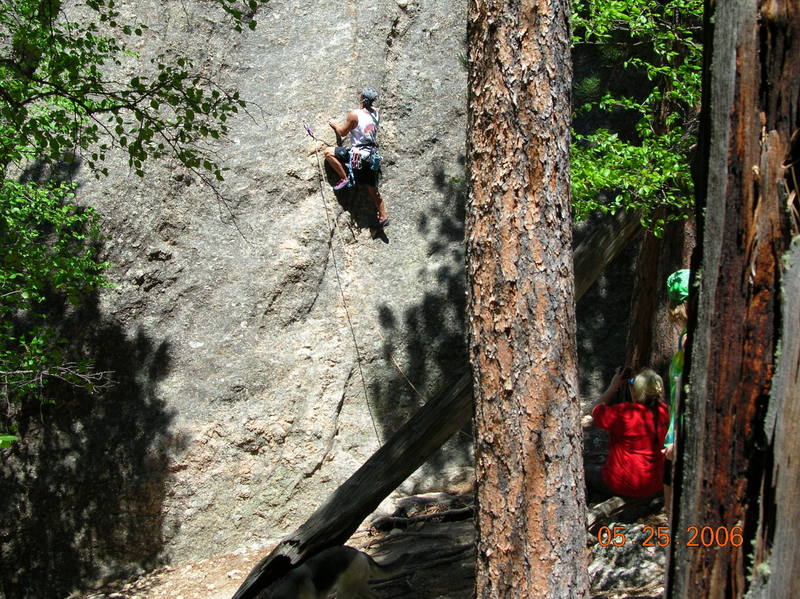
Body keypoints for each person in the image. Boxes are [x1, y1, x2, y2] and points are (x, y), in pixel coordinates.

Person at [584, 368, 670, 499]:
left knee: (585, 470)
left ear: (636, 392)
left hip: (622, 483)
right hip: (654, 482)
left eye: (632, 383)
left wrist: (613, 387)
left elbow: (595, 410)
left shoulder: (626, 413)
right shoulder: (664, 412)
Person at [324, 87, 389, 228]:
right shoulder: (376, 113)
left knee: (328, 152)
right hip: (371, 157)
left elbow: (342, 132)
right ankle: (383, 216)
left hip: (357, 155)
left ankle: (344, 178)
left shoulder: (354, 114)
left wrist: (335, 125)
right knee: (372, 188)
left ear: (362, 98)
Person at [663, 268, 690, 514]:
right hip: (679, 425)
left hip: (684, 427)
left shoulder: (689, 340)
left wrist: (678, 438)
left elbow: (686, 390)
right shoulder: (687, 336)